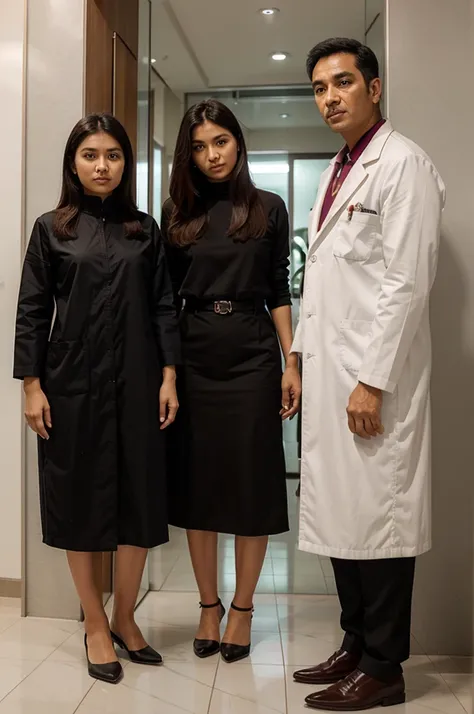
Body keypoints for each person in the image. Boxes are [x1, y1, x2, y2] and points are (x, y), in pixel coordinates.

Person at [290, 38, 445, 710]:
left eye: (343, 83)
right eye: (320, 88)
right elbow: (322, 281)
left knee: (379, 520)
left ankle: (385, 666)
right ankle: (356, 641)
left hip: (370, 382)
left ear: (374, 89)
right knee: (343, 516)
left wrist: (373, 379)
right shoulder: (337, 170)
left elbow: (408, 282)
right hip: (330, 374)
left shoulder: (401, 164)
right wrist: (296, 356)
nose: (330, 97)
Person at [13, 113, 181, 684]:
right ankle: (93, 623)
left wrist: (168, 375)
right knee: (78, 502)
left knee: (138, 503)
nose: (102, 165)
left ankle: (126, 619)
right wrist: (32, 385)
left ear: (124, 163)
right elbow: (32, 310)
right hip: (72, 385)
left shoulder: (144, 229)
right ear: (73, 163)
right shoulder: (51, 229)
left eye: (112, 155)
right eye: (90, 155)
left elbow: (163, 306)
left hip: (138, 383)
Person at [162, 99, 301, 663]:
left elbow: (278, 293)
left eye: (219, 141)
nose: (211, 154)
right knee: (198, 488)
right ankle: (207, 606)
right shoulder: (179, 213)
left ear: (238, 143)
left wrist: (292, 361)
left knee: (249, 485)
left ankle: (242, 609)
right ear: (187, 155)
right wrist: (168, 373)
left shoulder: (268, 207)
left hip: (251, 355)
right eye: (198, 146)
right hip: (193, 354)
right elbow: (165, 304)